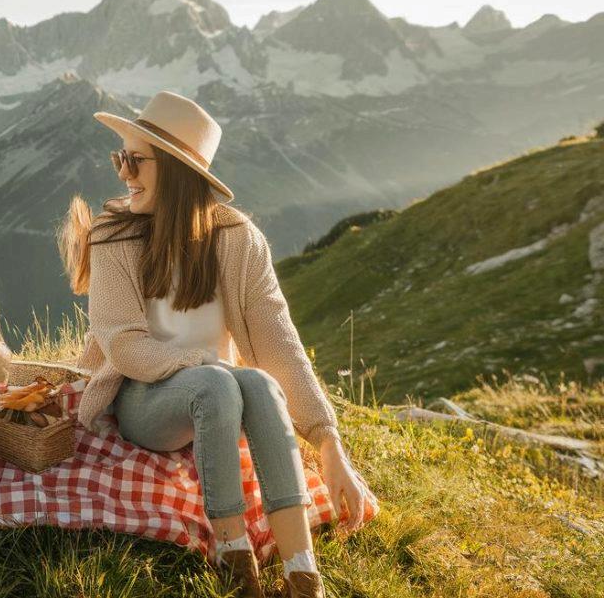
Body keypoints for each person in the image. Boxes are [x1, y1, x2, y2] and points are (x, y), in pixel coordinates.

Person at [59, 91, 372, 598]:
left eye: (135, 160)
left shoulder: (239, 241)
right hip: (145, 399)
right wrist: (202, 362)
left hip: (218, 398)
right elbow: (123, 346)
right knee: (216, 382)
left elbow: (280, 344)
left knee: (260, 382)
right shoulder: (113, 236)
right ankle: (235, 561)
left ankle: (301, 573)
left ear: (180, 174)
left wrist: (329, 442)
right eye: (121, 157)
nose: (123, 173)